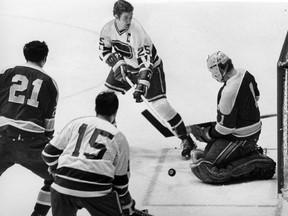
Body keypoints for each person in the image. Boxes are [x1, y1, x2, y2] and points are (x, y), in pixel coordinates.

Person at [98, 0, 196, 159]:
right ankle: (109, 134)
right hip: (127, 67)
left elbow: (146, 61)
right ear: (115, 16)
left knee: (161, 106)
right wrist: (117, 64)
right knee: (104, 96)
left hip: (150, 68)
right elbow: (104, 51)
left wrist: (141, 85)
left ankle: (186, 139)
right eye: (125, 18)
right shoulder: (107, 29)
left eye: (131, 16)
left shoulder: (137, 32)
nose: (129, 20)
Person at [42, 91, 136, 216]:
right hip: (97, 191)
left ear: (95, 108)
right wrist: (125, 203)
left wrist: (55, 170)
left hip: (62, 187)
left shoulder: (76, 123)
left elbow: (48, 154)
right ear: (115, 112)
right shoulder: (119, 137)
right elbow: (121, 183)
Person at [189, 51, 276, 184]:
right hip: (249, 131)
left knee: (206, 169)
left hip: (241, 138)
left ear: (217, 70)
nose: (212, 76)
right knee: (206, 154)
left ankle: (254, 160)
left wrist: (206, 134)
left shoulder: (229, 91)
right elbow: (256, 97)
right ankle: (246, 153)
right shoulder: (245, 73)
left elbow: (225, 128)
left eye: (212, 72)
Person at [0, 41, 59, 216]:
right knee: (58, 178)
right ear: (45, 58)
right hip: (31, 142)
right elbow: (49, 122)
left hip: (2, 137)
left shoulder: (6, 73)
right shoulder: (50, 82)